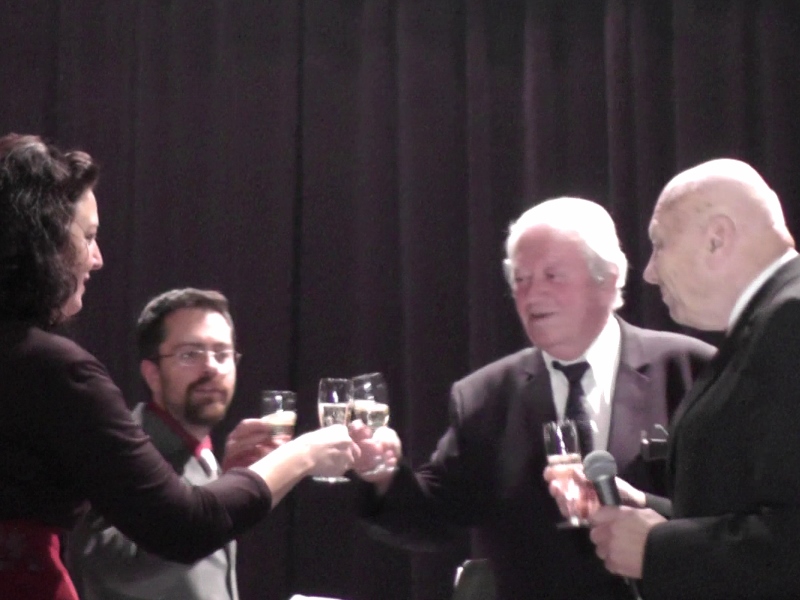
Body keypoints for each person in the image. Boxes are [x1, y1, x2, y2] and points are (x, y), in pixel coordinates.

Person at [0, 133, 359, 600]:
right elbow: (184, 526)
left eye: (223, 353)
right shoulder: (53, 369)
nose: (98, 258)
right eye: (87, 236)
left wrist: (232, 477)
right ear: (41, 242)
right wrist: (304, 454)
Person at [348, 197, 715, 600]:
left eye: (552, 276)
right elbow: (433, 517)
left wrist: (650, 517)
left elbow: (732, 517)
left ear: (608, 280)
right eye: (520, 279)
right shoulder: (485, 397)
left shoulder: (691, 369)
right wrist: (382, 476)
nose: (532, 294)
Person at [588, 158, 800, 599]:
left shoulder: (790, 321)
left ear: (717, 238)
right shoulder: (767, 322)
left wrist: (658, 548)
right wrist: (648, 511)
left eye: (659, 244)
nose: (649, 272)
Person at [68, 288, 254, 599]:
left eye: (222, 354)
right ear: (152, 373)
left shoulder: (205, 455)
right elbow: (105, 564)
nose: (211, 367)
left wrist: (231, 482)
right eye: (190, 354)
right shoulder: (121, 453)